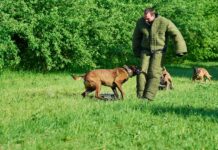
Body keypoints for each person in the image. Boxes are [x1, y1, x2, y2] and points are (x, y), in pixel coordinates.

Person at [132, 8, 187, 101]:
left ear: (153, 15)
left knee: (154, 73)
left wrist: (180, 50)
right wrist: (136, 51)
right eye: (144, 18)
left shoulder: (164, 22)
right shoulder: (140, 22)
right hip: (145, 51)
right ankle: (140, 96)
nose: (145, 20)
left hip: (159, 51)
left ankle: (148, 97)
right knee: (141, 72)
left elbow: (176, 34)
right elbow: (136, 37)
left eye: (148, 18)